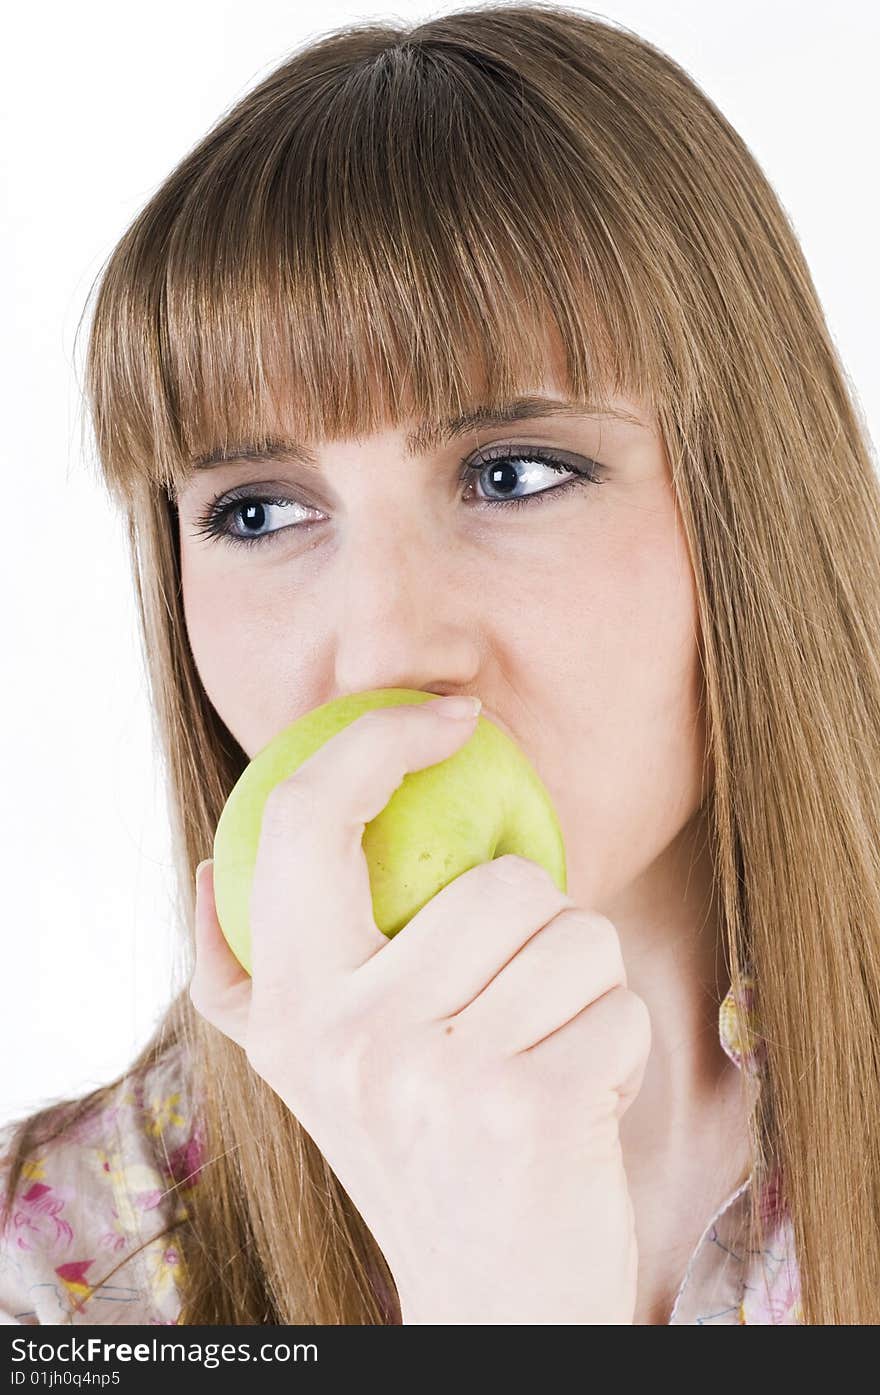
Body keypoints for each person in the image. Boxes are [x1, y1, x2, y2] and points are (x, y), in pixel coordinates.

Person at [1, 1, 876, 1326]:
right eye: (257, 511)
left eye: (514, 474)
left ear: (751, 500)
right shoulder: (59, 1283)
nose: (385, 648)